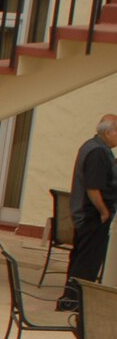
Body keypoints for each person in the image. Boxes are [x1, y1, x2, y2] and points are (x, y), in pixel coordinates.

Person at [63, 114, 117, 306]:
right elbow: (93, 187)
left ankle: (69, 299)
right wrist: (104, 211)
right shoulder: (98, 152)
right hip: (92, 215)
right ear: (109, 132)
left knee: (80, 257)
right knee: (88, 260)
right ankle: (74, 301)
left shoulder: (92, 146)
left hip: (84, 214)